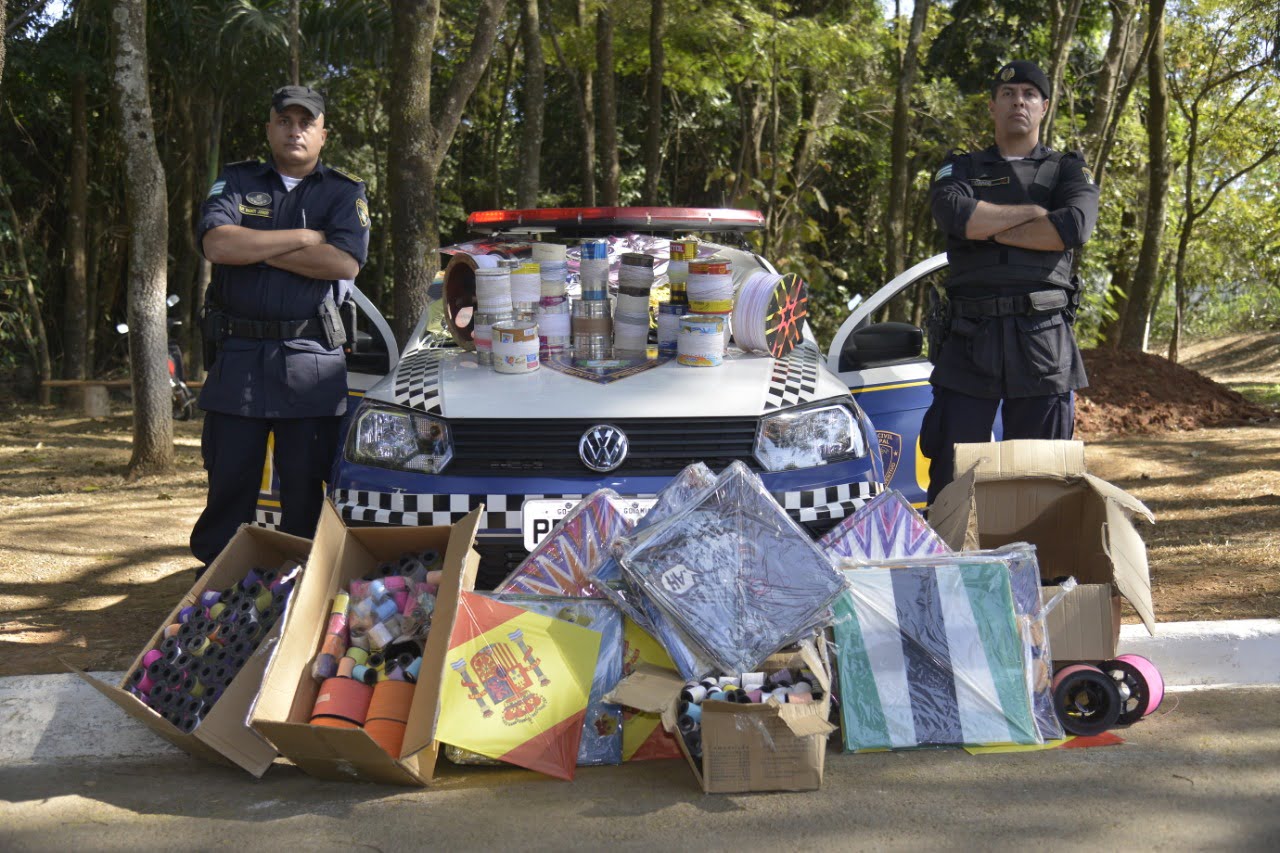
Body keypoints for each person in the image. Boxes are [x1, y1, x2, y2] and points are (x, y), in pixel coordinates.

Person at [190, 85, 370, 570]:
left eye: (306, 123)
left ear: (323, 134)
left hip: (310, 362)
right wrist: (304, 238)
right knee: (228, 483)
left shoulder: (343, 191)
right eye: (285, 122)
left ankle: (301, 587)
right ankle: (218, 588)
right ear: (269, 129)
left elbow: (343, 262)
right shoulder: (237, 180)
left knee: (305, 490)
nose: (295, 131)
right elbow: (218, 246)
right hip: (238, 361)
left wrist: (256, 247)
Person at [922, 60, 1100, 505]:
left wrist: (986, 227)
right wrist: (1035, 215)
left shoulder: (1067, 170)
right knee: (951, 475)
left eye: (1029, 94)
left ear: (1044, 107)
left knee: (1042, 479)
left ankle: (1038, 554)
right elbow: (953, 214)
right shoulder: (961, 166)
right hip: (969, 339)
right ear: (992, 107)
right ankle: (950, 553)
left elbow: (1073, 226)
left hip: (1042, 338)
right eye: (1008, 93)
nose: (1018, 101)